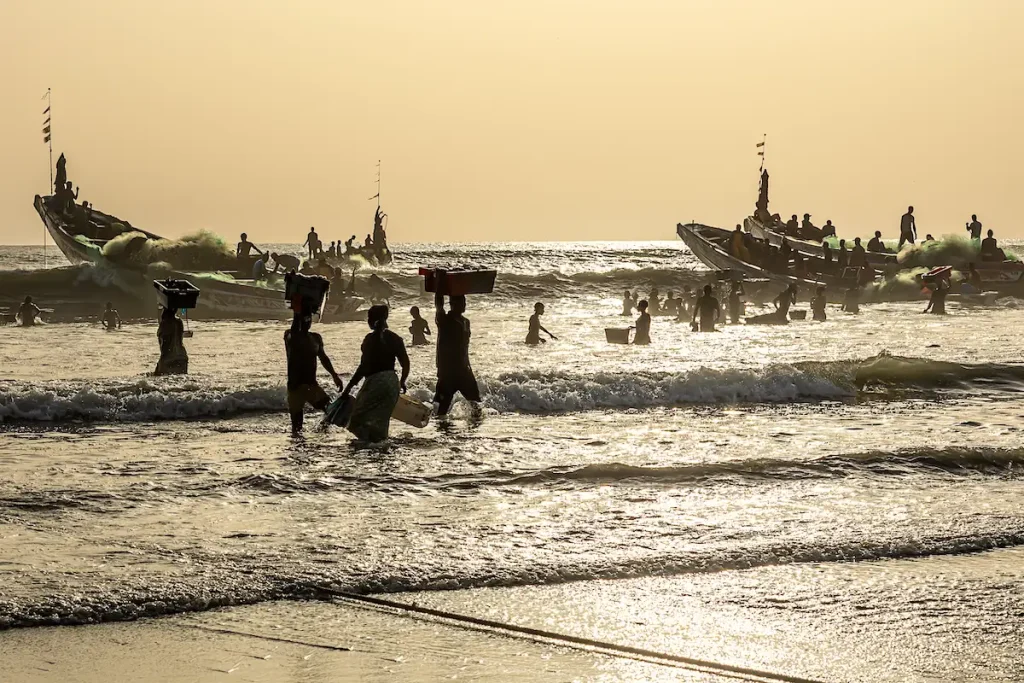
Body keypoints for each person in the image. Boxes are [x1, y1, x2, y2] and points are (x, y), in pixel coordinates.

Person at [342, 305, 410, 442]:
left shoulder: (370, 339)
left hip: (376, 382)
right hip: (392, 383)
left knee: (355, 419)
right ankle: (379, 445)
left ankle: (369, 444)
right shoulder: (395, 338)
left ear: (371, 320)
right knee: (382, 421)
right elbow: (406, 364)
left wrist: (348, 388)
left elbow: (363, 367)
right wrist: (402, 381)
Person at [284, 310, 343, 434]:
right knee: (296, 426)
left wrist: (334, 375)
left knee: (329, 409)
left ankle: (321, 431)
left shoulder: (315, 338)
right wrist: (298, 310)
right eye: (304, 319)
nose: (307, 321)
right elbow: (294, 330)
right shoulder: (290, 336)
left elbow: (323, 358)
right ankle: (298, 447)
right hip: (295, 387)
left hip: (312, 385)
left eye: (309, 319)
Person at [434, 286, 481, 416]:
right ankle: (440, 433)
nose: (463, 305)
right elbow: (439, 305)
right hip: (448, 372)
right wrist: (440, 285)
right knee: (442, 407)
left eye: (464, 302)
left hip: (464, 370)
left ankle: (474, 432)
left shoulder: (466, 322)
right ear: (452, 304)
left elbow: (465, 348)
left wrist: (469, 367)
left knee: (476, 404)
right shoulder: (444, 320)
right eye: (460, 303)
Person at [154, 306, 188, 376]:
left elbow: (164, 344)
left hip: (169, 358)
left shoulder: (164, 323)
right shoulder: (179, 322)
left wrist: (160, 364)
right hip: (182, 356)